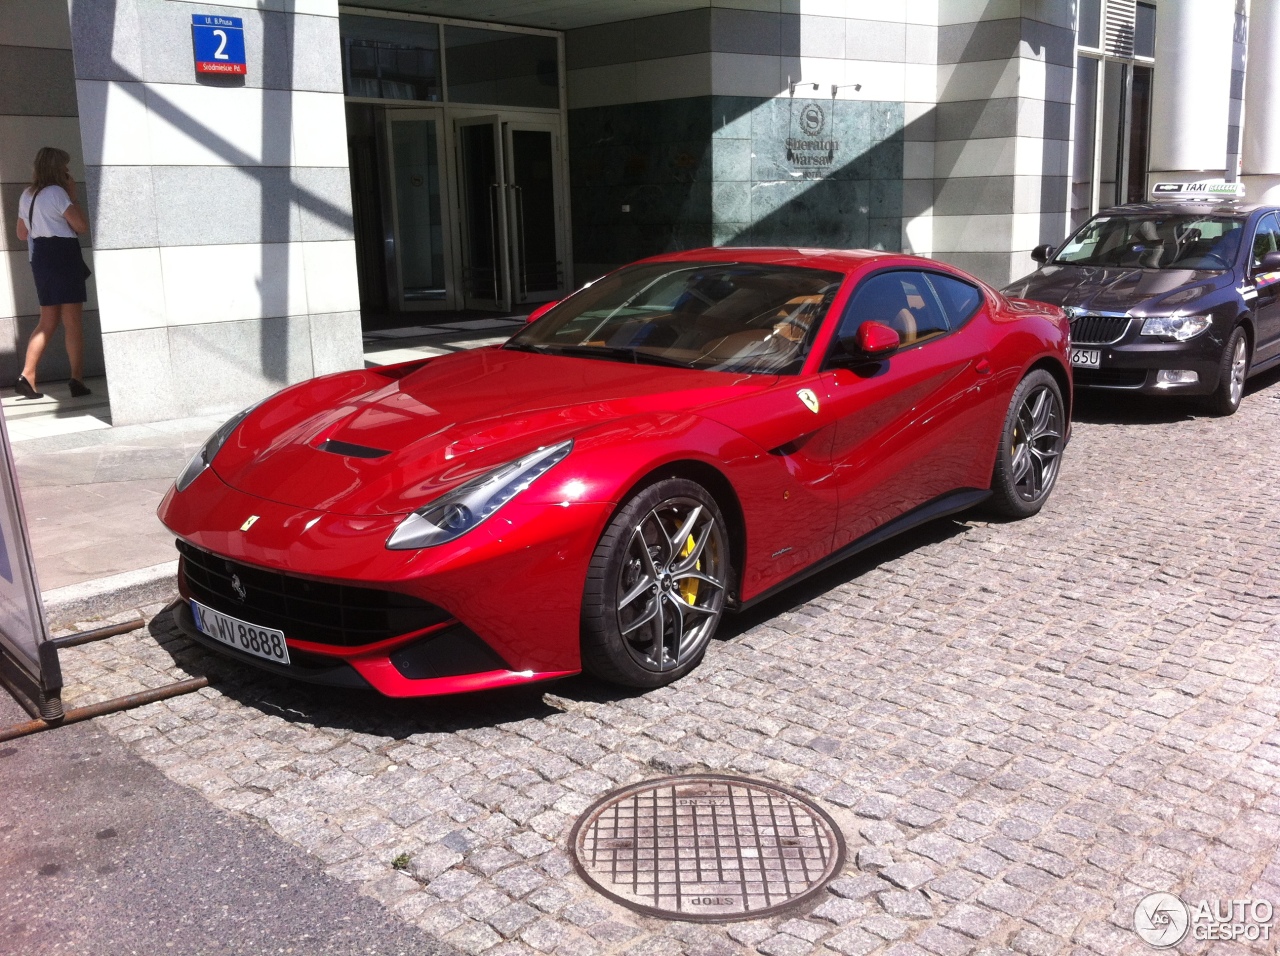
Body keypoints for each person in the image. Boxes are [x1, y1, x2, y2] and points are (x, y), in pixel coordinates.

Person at [13, 146, 91, 399]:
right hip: (63, 256)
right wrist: (73, 197)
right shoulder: (58, 193)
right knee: (72, 322)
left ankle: (28, 375)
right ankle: (76, 380)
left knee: (47, 321)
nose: (68, 170)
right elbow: (80, 226)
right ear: (58, 168)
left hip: (42, 259)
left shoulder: (27, 194)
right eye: (65, 166)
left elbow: (21, 234)